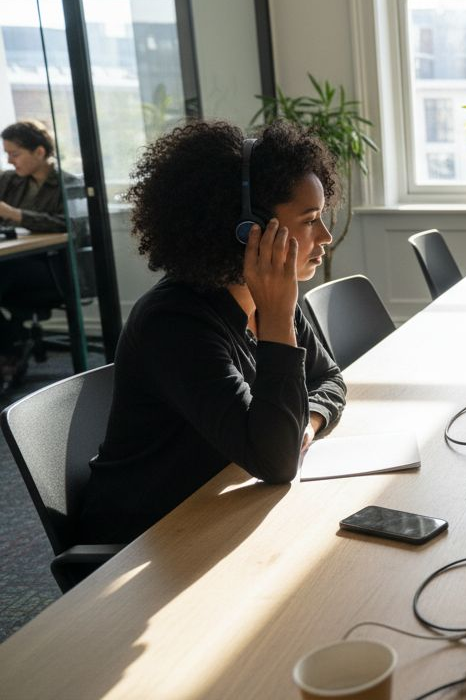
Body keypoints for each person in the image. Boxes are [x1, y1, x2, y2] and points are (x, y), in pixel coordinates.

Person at [77, 119, 347, 545]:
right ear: (249, 230)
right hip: (148, 537)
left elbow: (329, 379)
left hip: (221, 501)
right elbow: (276, 462)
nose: (326, 236)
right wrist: (277, 319)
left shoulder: (265, 296)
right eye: (311, 219)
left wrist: (308, 424)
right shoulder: (174, 323)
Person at [0, 120, 70, 384]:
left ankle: (10, 347)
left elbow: (66, 223)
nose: (9, 161)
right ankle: (11, 344)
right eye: (6, 154)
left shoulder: (67, 184)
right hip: (13, 263)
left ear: (39, 152)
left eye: (14, 154)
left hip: (51, 269)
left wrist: (15, 214)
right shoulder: (9, 181)